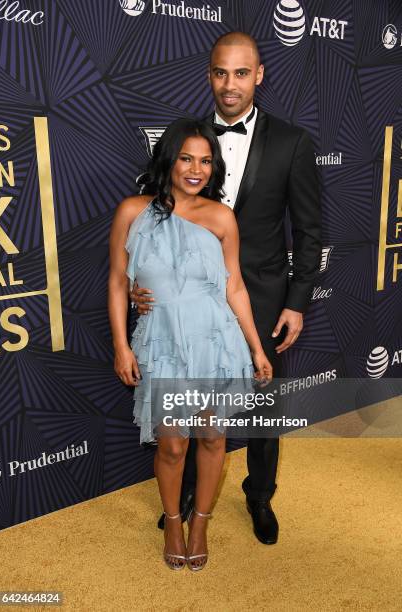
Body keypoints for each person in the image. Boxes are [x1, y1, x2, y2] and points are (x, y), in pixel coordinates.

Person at [131, 32, 322, 545]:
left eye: (241, 73)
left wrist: (297, 304)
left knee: (260, 407)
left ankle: (259, 495)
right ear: (209, 75)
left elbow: (309, 232)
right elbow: (149, 225)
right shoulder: (189, 141)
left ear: (259, 75)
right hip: (185, 304)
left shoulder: (292, 142)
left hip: (256, 295)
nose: (230, 84)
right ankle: (188, 493)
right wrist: (138, 286)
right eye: (220, 73)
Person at [108, 117, 273, 571]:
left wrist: (257, 348)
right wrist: (121, 345)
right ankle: (174, 521)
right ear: (169, 160)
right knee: (173, 445)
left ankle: (200, 522)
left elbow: (235, 286)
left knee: (213, 436)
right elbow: (119, 284)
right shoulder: (132, 211)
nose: (195, 169)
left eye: (205, 160)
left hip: (216, 342)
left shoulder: (222, 217)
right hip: (162, 342)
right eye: (186, 158)